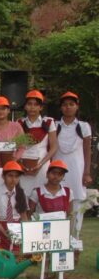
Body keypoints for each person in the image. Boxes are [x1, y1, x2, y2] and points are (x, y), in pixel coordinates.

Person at [54, 92, 92, 234]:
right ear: (61, 108)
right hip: (56, 173)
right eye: (64, 105)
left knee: (76, 206)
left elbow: (87, 151)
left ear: (77, 107)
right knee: (56, 204)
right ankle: (58, 239)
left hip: (77, 172)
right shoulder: (54, 125)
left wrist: (86, 173)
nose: (68, 107)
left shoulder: (84, 126)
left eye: (71, 104)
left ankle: (75, 240)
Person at [18, 90, 58, 197]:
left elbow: (54, 147)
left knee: (42, 196)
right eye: (29, 104)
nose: (32, 107)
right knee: (23, 195)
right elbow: (16, 147)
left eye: (36, 105)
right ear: (25, 106)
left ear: (41, 107)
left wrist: (41, 164)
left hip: (43, 165)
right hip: (24, 166)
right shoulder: (19, 123)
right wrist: (21, 165)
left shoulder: (48, 122)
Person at [0, 161, 29, 251]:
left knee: (21, 252)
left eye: (16, 176)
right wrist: (5, 233)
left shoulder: (22, 193)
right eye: (10, 176)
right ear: (3, 176)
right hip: (1, 226)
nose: (13, 179)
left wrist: (25, 233)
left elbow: (24, 217)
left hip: (16, 227)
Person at [0, 96, 25, 190]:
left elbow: (22, 147)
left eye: (3, 109)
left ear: (8, 110)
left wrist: (15, 159)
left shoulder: (16, 126)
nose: (0, 111)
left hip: (12, 168)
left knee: (11, 195)